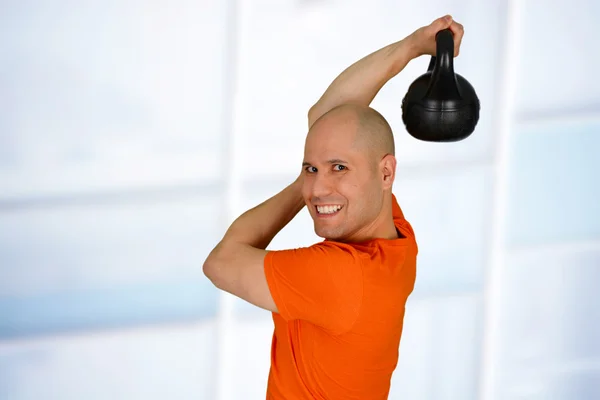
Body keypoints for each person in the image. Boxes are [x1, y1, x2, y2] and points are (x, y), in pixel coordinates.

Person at [204, 14, 464, 400]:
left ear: (386, 172)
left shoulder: (340, 275)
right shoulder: (394, 237)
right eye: (311, 169)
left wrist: (301, 185)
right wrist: (413, 46)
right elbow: (330, 117)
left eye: (338, 168)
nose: (319, 188)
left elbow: (220, 263)